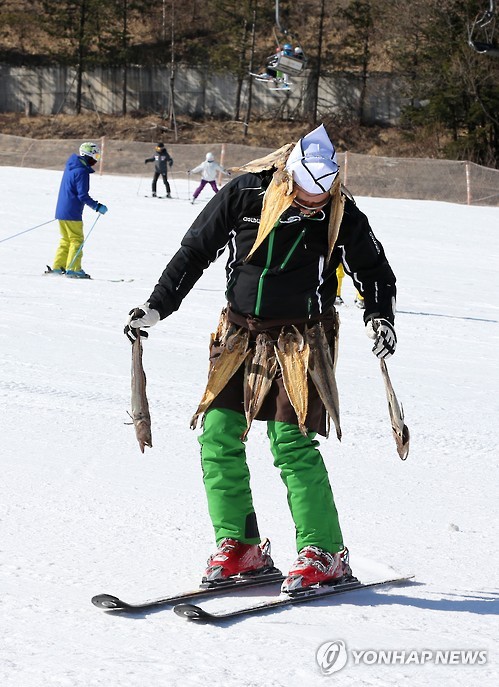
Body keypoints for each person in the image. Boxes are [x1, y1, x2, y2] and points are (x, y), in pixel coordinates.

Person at [124, 124, 397, 594]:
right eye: (307, 194)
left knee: (291, 443)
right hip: (239, 334)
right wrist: (157, 306)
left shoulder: (340, 211)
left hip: (301, 340)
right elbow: (194, 252)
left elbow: (373, 269)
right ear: (289, 177)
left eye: (324, 193)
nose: (315, 202)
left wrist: (380, 316)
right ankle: (241, 546)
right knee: (217, 435)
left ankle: (325, 552)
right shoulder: (246, 193)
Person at [47, 141, 108, 279]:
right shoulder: (81, 171)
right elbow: (82, 195)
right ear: (88, 156)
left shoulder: (71, 167)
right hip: (72, 212)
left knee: (66, 239)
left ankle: (58, 266)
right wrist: (97, 206)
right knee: (76, 240)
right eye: (95, 156)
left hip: (62, 210)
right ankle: (73, 268)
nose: (96, 160)